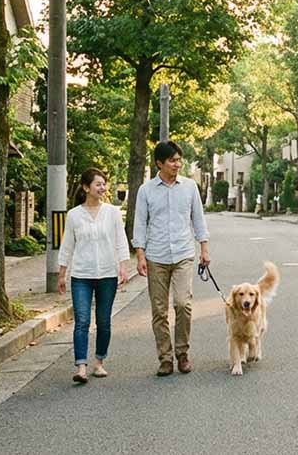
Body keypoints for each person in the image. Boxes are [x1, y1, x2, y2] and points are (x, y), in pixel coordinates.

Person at [133, 140, 210, 376]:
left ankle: (182, 353)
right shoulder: (146, 190)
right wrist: (140, 255)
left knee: (183, 304)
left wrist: (204, 249)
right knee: (159, 311)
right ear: (159, 163)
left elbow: (198, 219)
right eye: (172, 160)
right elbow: (140, 224)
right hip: (156, 256)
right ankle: (165, 358)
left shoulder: (189, 187)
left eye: (179, 160)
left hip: (183, 254)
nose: (177, 164)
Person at [57, 168, 130, 384]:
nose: (102, 187)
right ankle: (81, 366)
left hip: (107, 274)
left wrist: (123, 267)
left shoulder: (112, 212)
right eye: (98, 184)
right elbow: (67, 245)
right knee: (82, 320)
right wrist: (62, 274)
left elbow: (121, 241)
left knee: (104, 321)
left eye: (104, 184)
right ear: (86, 187)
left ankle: (99, 362)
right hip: (81, 275)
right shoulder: (74, 215)